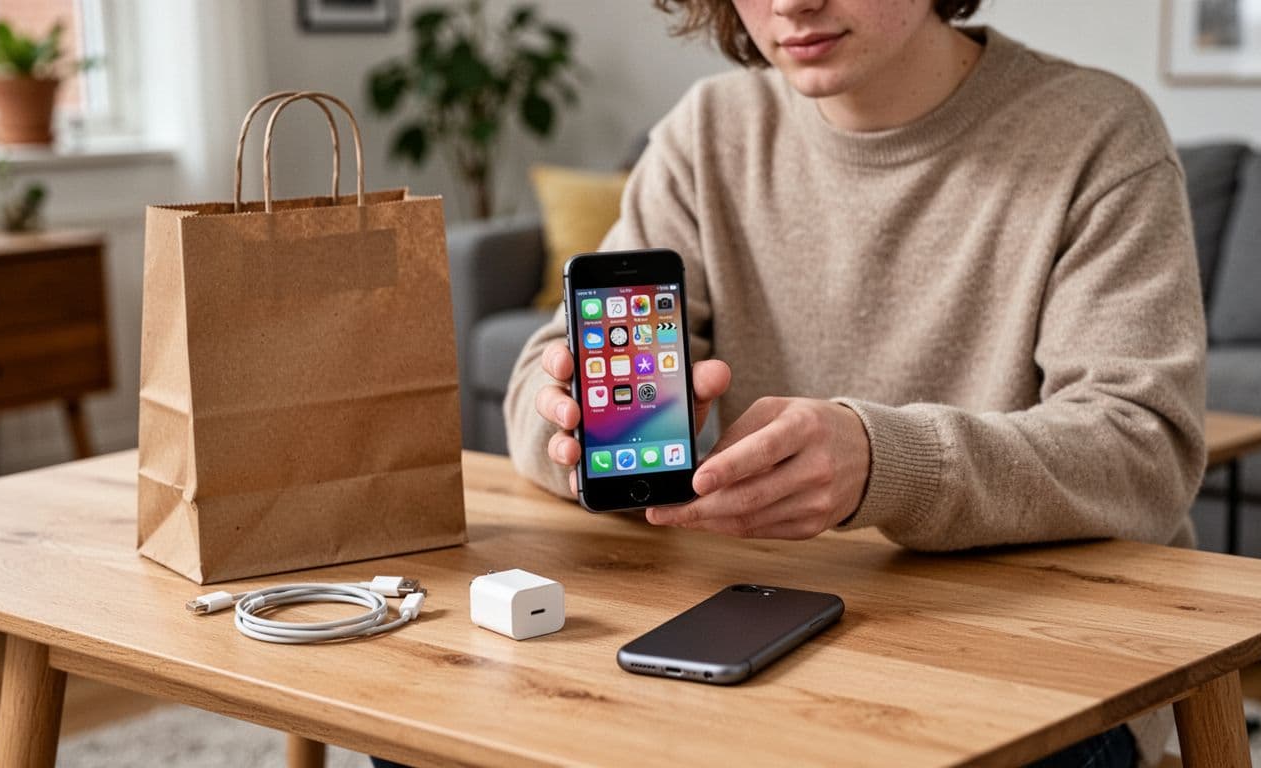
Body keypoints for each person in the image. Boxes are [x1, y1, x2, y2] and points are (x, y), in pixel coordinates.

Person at [501, 1, 1206, 766]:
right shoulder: (708, 132)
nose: (791, 4)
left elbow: (1144, 449)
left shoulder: (1096, 132)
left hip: (1037, 651)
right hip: (753, 626)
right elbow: (540, 387)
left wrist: (886, 462)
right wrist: (600, 436)